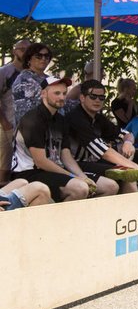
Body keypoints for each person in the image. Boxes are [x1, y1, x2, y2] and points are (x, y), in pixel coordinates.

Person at [11, 77, 101, 202]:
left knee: (105, 186)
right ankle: (60, 220)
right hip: (28, 173)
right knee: (80, 188)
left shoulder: (60, 120)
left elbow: (66, 156)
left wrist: (82, 176)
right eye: (57, 93)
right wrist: (72, 176)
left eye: (64, 93)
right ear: (43, 94)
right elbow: (40, 161)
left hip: (49, 171)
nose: (62, 97)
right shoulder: (33, 120)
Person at [66, 79, 138, 194]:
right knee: (116, 182)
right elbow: (101, 151)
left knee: (129, 173)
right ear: (82, 98)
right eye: (93, 97)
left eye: (101, 98)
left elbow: (127, 134)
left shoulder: (98, 118)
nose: (97, 100)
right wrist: (132, 165)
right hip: (74, 165)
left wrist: (128, 143)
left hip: (93, 163)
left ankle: (133, 209)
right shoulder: (76, 118)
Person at [0, 39, 31, 183]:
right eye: (22, 49)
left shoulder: (32, 74)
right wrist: (4, 122)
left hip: (27, 127)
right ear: (14, 51)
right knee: (4, 165)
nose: (25, 52)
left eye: (28, 49)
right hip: (7, 125)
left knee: (23, 165)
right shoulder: (4, 72)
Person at [11, 42, 53, 128]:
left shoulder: (51, 79)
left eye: (46, 56)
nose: (43, 59)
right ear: (29, 59)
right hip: (31, 133)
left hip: (52, 132)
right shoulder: (23, 81)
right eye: (38, 56)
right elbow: (25, 114)